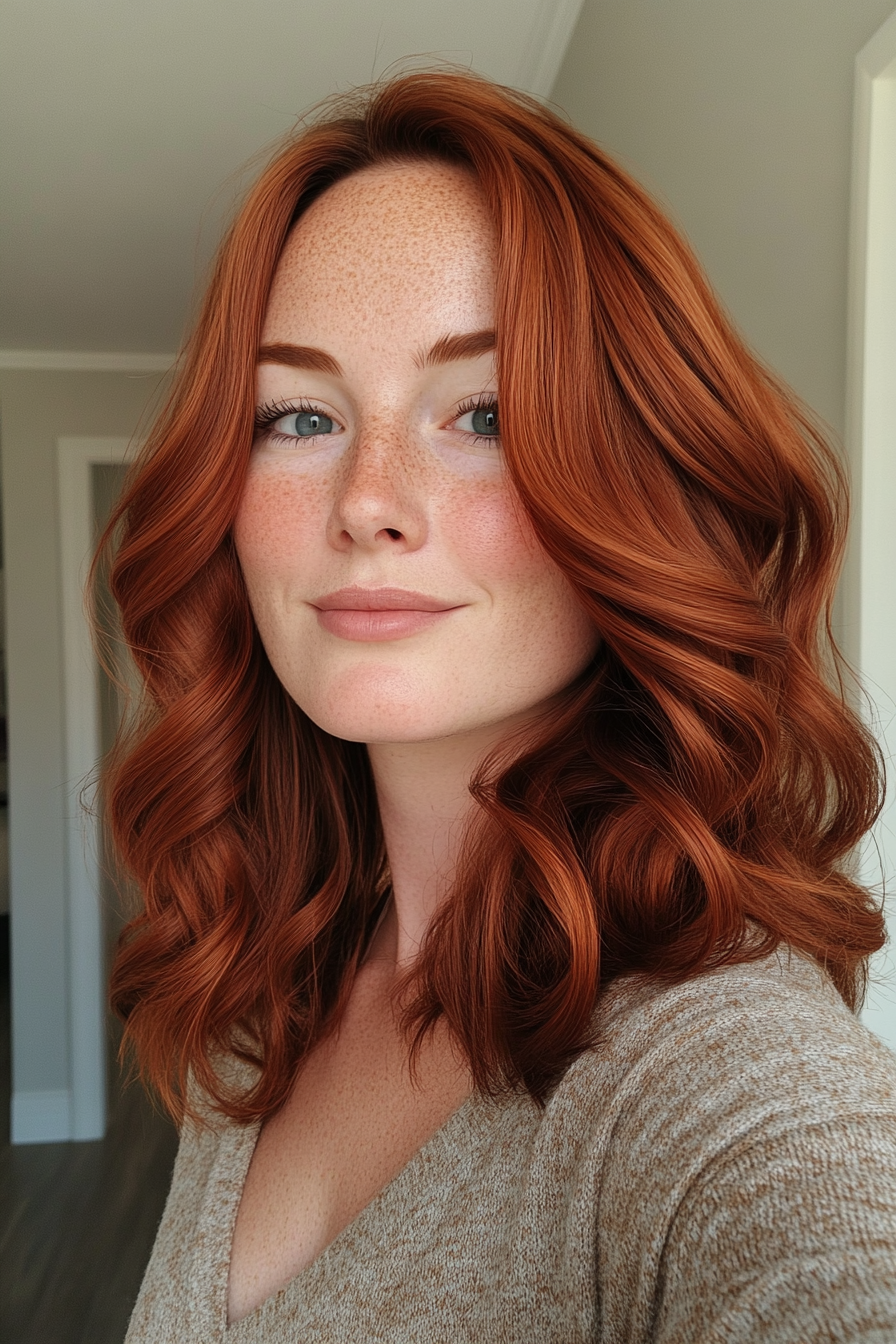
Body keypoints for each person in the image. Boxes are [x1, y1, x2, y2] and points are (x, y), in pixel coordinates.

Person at [98, 70, 896, 1342]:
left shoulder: (714, 1076)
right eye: (299, 414)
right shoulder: (275, 985)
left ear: (637, 480)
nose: (369, 497)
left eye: (480, 412)